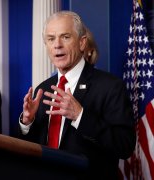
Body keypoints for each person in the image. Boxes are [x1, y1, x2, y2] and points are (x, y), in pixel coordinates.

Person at [19, 11, 135, 180]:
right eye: (51, 39)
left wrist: (80, 116)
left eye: (65, 37)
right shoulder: (43, 89)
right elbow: (31, 148)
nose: (57, 45)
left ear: (82, 43)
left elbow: (125, 146)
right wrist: (27, 123)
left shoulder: (110, 86)